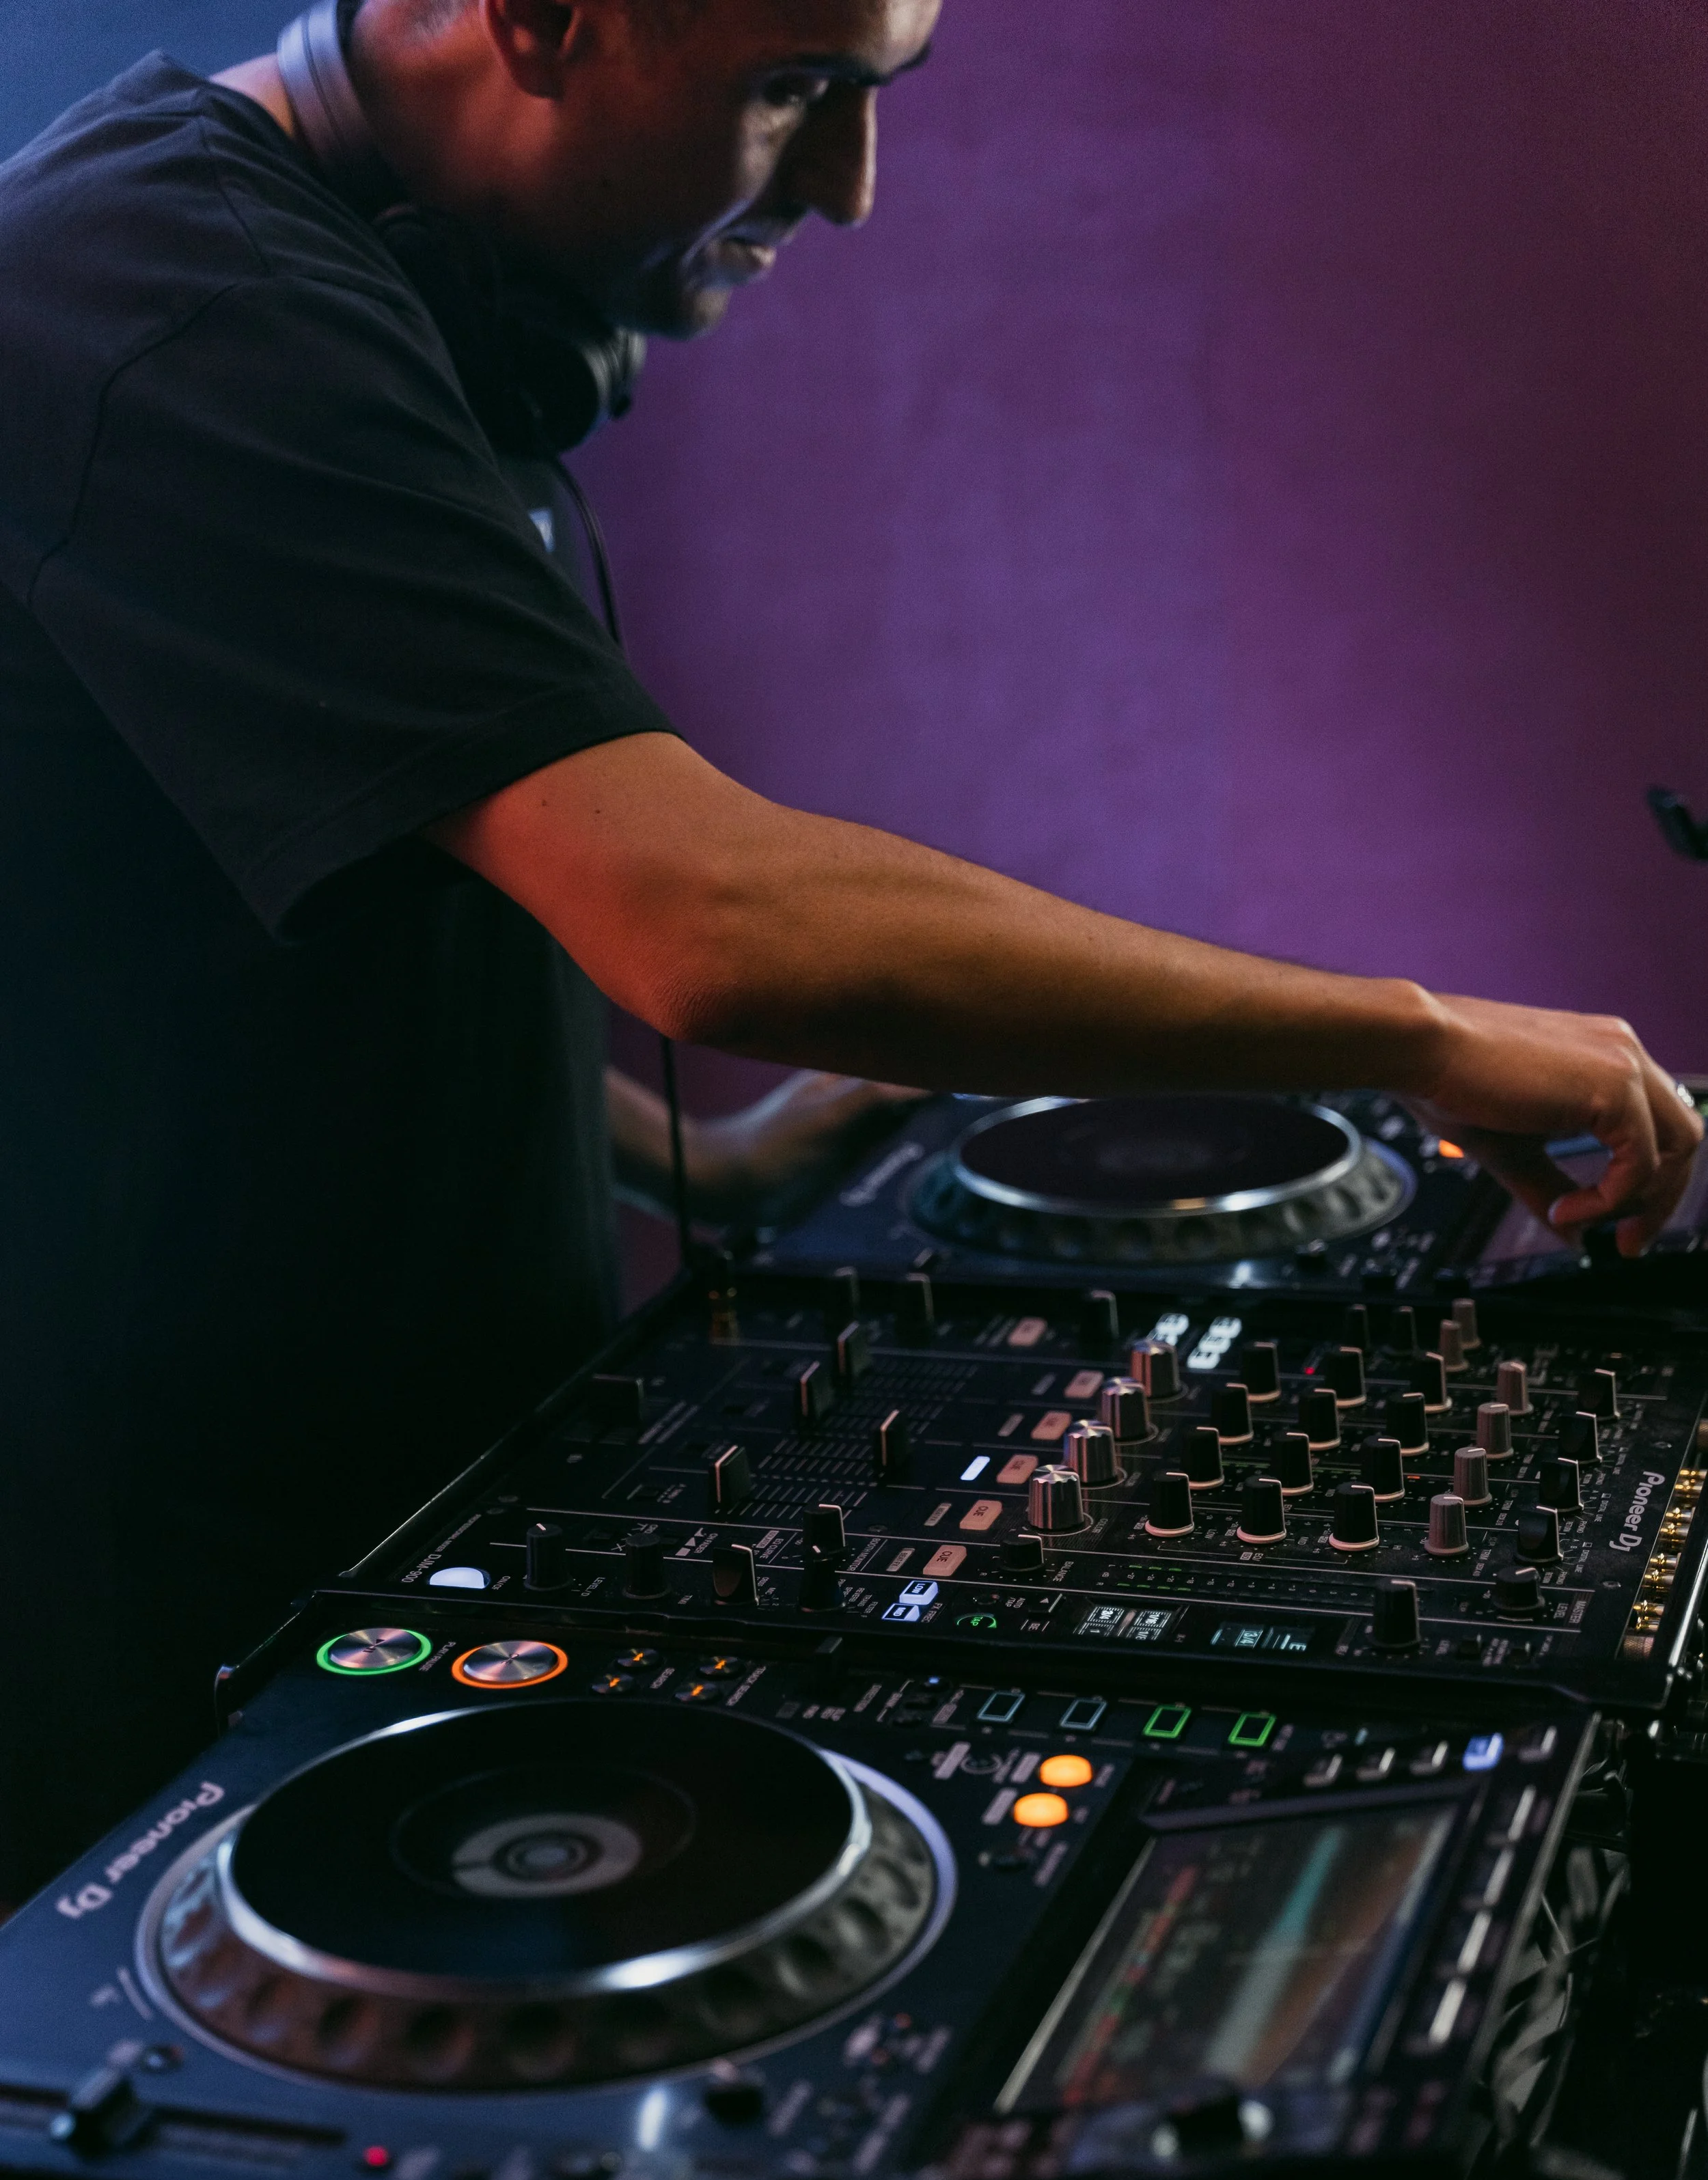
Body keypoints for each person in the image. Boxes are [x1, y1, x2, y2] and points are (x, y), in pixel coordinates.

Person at [0, 0, 1696, 1903]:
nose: (850, 185)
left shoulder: (361, 288)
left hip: (416, 1507)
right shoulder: (163, 302)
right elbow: (706, 916)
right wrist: (1414, 1035)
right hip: (165, 1616)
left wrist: (698, 1161)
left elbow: (287, 890)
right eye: (792, 90)